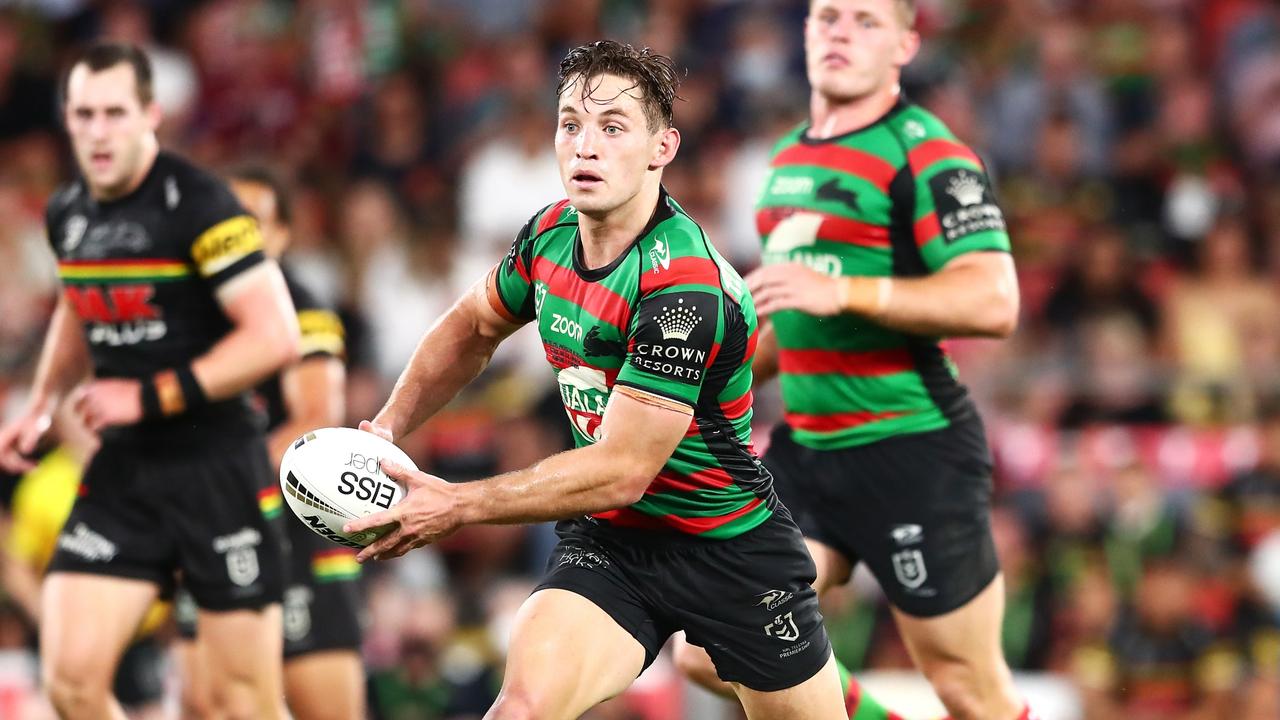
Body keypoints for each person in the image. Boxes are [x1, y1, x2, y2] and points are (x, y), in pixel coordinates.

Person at [344, 40, 847, 719]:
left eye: (612, 128)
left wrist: (458, 505)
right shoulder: (547, 236)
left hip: (729, 547)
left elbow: (623, 468)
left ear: (661, 148)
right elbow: (470, 327)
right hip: (615, 542)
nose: (586, 146)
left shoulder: (682, 287)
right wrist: (388, 428)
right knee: (519, 709)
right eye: (571, 124)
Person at [671, 2, 1028, 719]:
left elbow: (994, 302)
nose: (840, 32)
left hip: (911, 451)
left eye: (866, 21)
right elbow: (793, 318)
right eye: (828, 17)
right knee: (710, 647)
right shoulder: (786, 164)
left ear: (904, 45)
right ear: (804, 34)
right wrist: (697, 394)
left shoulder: (929, 154)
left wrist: (846, 290)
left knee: (969, 691)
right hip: (808, 451)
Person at [0, 43, 299, 719]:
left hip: (215, 464)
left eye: (114, 113)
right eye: (84, 115)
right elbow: (79, 307)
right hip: (126, 472)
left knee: (241, 703)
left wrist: (147, 394)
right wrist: (42, 403)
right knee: (71, 683)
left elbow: (274, 335)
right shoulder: (68, 212)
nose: (98, 131)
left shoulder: (201, 206)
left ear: (151, 115)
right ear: (66, 121)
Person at [172, 167, 363, 720]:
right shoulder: (192, 316)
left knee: (321, 707)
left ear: (282, 235)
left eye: (252, 224)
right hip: (212, 527)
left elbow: (313, 424)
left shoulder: (305, 311)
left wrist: (222, 481)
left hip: (293, 531)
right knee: (206, 704)